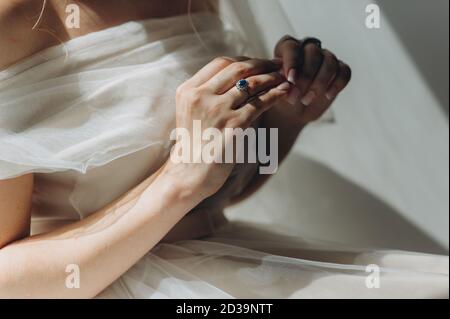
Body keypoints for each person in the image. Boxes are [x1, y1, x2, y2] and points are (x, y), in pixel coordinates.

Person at [0, 0, 447, 298]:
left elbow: (219, 195)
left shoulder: (201, 1)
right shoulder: (12, 23)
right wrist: (179, 178)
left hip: (223, 259)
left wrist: (288, 116)